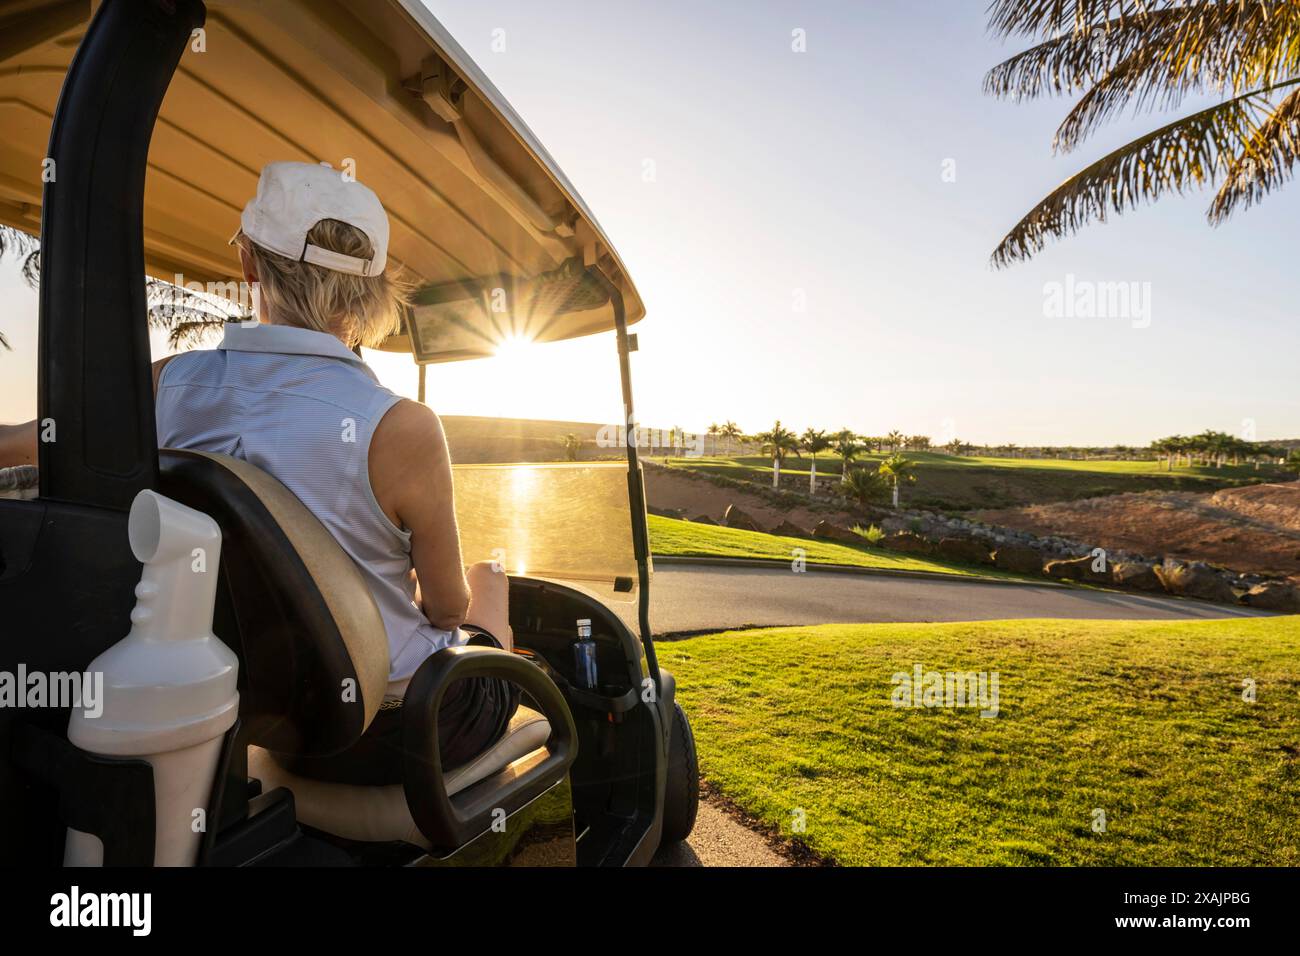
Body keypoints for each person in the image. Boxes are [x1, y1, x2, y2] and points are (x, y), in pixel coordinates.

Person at [0, 161, 518, 781]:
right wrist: (477, 597)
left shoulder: (167, 385)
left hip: (258, 718)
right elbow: (442, 608)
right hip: (398, 731)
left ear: (248, 265)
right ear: (372, 291)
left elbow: (23, 445)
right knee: (489, 589)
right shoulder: (402, 426)